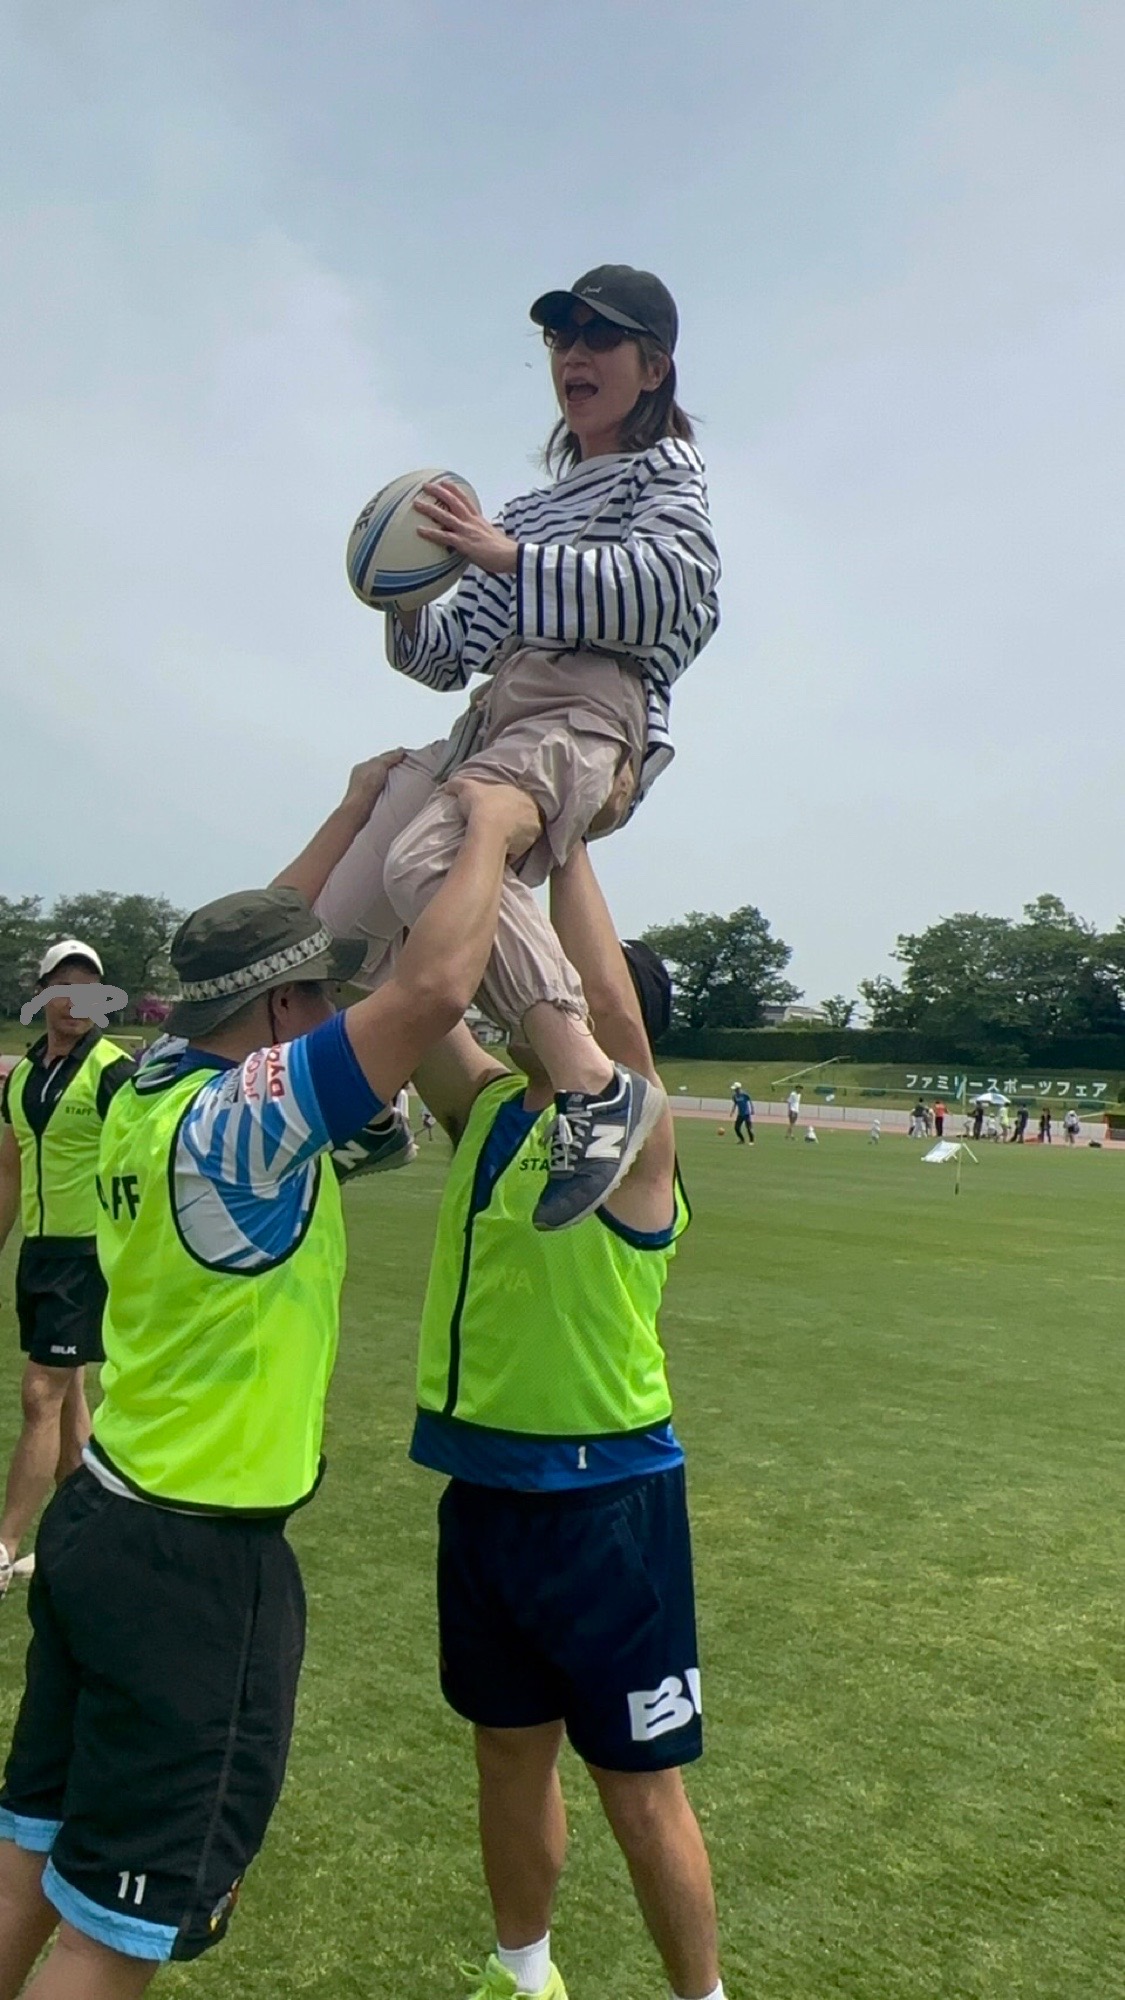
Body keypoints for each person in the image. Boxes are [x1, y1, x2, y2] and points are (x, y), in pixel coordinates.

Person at [0, 758, 540, 1998]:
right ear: (285, 1007)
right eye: (318, 995)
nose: (333, 1010)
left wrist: (355, 813)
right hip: (196, 1564)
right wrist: (495, 829)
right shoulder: (240, 1121)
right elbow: (433, 988)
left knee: (29, 1849)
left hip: (103, 1514)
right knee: (110, 1931)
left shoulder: (149, 1082)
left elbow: (245, 956)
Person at [316, 265, 721, 1232]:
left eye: (600, 337)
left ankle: (592, 1080)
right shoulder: (526, 510)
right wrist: (401, 592)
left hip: (588, 709)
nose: (573, 354)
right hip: (494, 716)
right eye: (560, 338)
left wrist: (507, 556)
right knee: (329, 932)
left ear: (653, 367)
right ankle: (364, 1109)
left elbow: (672, 590)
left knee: (433, 862)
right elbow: (450, 654)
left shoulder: (668, 472)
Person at [408, 844, 724, 2000]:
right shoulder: (491, 1106)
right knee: (506, 1748)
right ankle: (523, 1974)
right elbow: (420, 985)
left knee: (637, 1784)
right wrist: (452, 843)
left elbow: (619, 1030)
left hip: (607, 1505)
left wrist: (571, 843)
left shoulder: (636, 1130)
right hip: (486, 1490)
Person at [0, 942, 134, 1598]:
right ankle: (81, 1536)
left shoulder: (114, 1073)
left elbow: (144, 1163)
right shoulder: (23, 1076)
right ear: (43, 993)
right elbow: (8, 1169)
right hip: (40, 1254)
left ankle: (4, 1546)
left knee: (41, 1394)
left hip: (89, 1257)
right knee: (69, 1394)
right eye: (66, 987)